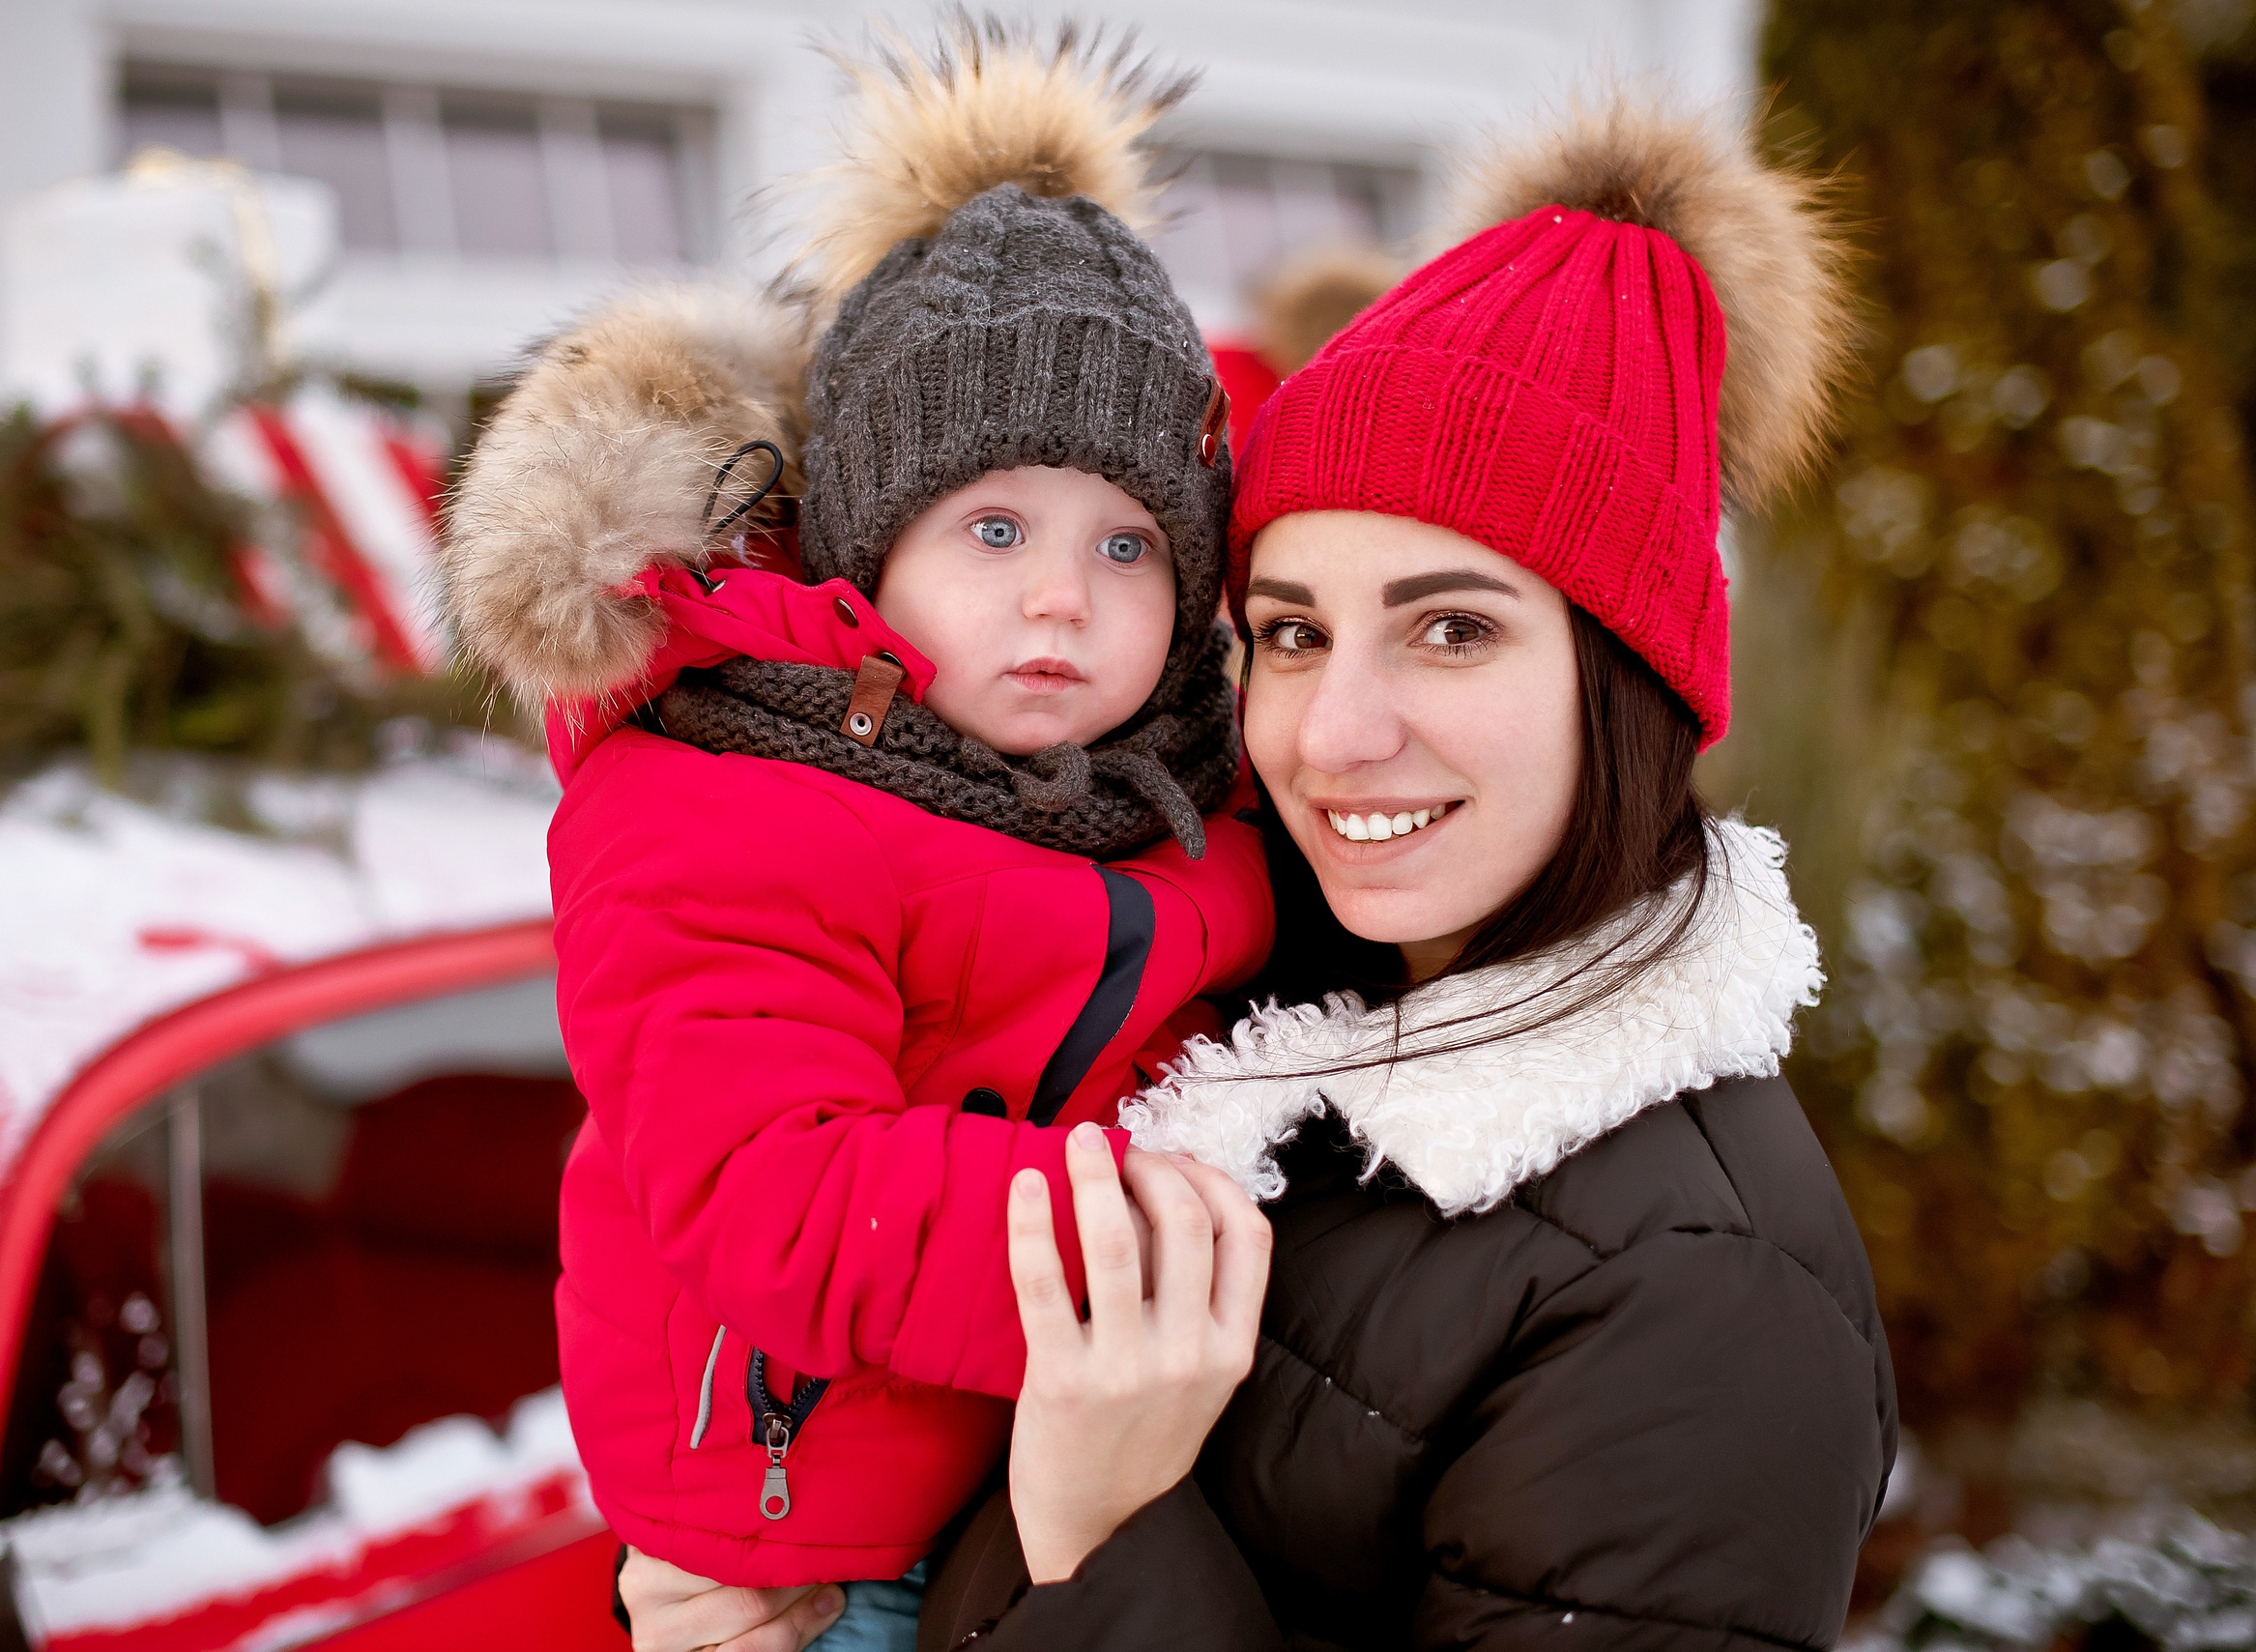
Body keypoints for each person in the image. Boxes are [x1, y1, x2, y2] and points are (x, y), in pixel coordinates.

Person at [624, 92, 1898, 1652]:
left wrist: (1100, 1533)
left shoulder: (1707, 1302)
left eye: (1453, 627)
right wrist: (726, 1584)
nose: (1335, 733)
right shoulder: (1256, 999)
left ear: (1629, 677)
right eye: (1291, 631)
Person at [439, 19, 1270, 1652]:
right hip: (812, 1553)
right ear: (870, 545)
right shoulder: (722, 795)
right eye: (998, 526)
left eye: (1126, 544)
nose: (1061, 595)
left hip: (1033, 1488)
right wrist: (1170, 1242)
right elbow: (774, 1189)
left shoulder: (1175, 796)